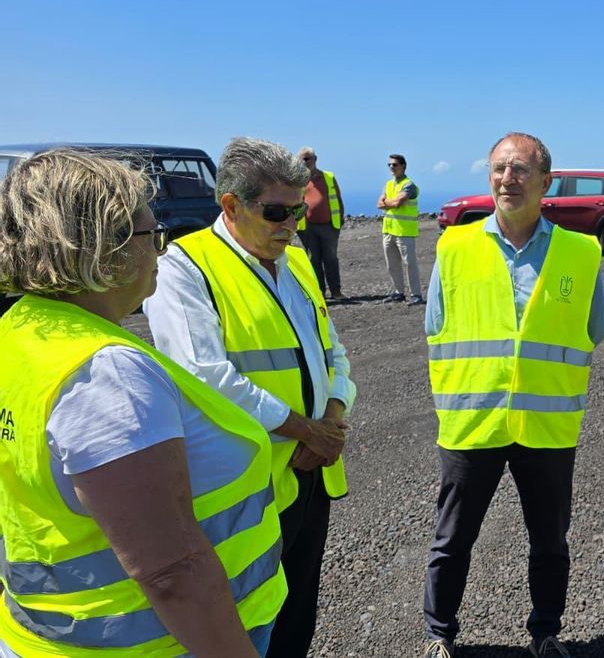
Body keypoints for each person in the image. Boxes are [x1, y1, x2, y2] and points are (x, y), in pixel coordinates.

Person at [0, 149, 286, 657]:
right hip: (159, 644)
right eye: (153, 236)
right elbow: (173, 571)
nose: (162, 250)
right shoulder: (107, 376)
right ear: (105, 248)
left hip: (48, 634)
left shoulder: (21, 330)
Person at [144, 137, 357, 658]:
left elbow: (333, 352)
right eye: (277, 212)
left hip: (310, 469)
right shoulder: (185, 268)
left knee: (298, 608)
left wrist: (332, 418)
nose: (291, 225)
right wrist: (307, 430)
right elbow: (204, 375)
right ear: (231, 205)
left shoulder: (297, 262)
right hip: (246, 486)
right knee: (248, 619)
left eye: (298, 211)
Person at [421, 132, 604, 658]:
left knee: (549, 542)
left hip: (547, 427)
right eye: (500, 168)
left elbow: (592, 330)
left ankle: (546, 633)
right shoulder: (454, 247)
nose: (508, 179)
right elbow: (435, 326)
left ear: (545, 182)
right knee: (452, 539)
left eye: (521, 169)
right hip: (472, 422)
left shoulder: (581, 252)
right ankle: (439, 634)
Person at [297, 146, 347, 300]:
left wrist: (340, 220)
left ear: (315, 159)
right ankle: (319, 293)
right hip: (307, 228)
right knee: (314, 260)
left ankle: (336, 291)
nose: (305, 162)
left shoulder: (328, 177)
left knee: (330, 259)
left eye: (307, 159)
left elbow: (338, 198)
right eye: (302, 160)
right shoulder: (297, 181)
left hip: (329, 226)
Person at [377, 153, 425, 304]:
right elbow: (379, 204)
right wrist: (390, 202)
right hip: (388, 230)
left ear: (403, 166)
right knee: (392, 264)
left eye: (395, 164)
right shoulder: (388, 184)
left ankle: (416, 294)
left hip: (404, 231)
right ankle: (399, 292)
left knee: (409, 263)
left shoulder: (409, 185)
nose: (392, 167)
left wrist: (387, 202)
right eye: (389, 165)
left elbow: (398, 202)